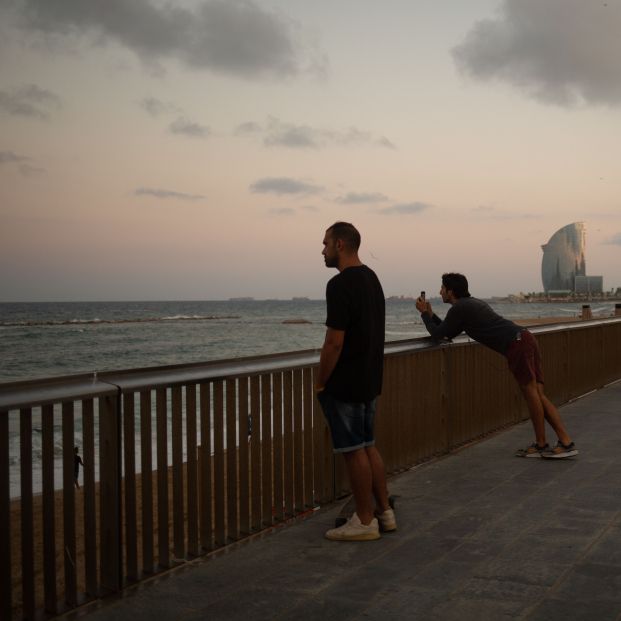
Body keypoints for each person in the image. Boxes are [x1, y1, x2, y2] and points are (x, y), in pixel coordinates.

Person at [415, 273, 578, 459]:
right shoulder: (471, 304)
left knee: (533, 395)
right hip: (525, 338)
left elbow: (438, 335)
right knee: (538, 395)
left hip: (517, 344)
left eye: (442, 288)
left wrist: (423, 315)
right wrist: (430, 315)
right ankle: (549, 443)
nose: (440, 291)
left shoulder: (460, 308)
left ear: (450, 291)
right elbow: (447, 331)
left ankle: (563, 442)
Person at [315, 222, 396, 541]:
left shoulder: (339, 285)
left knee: (353, 451)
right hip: (369, 377)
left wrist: (321, 382)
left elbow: (334, 342)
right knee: (368, 446)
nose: (321, 251)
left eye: (324, 244)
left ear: (340, 245)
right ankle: (384, 512)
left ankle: (364, 522)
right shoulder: (372, 279)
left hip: (346, 381)